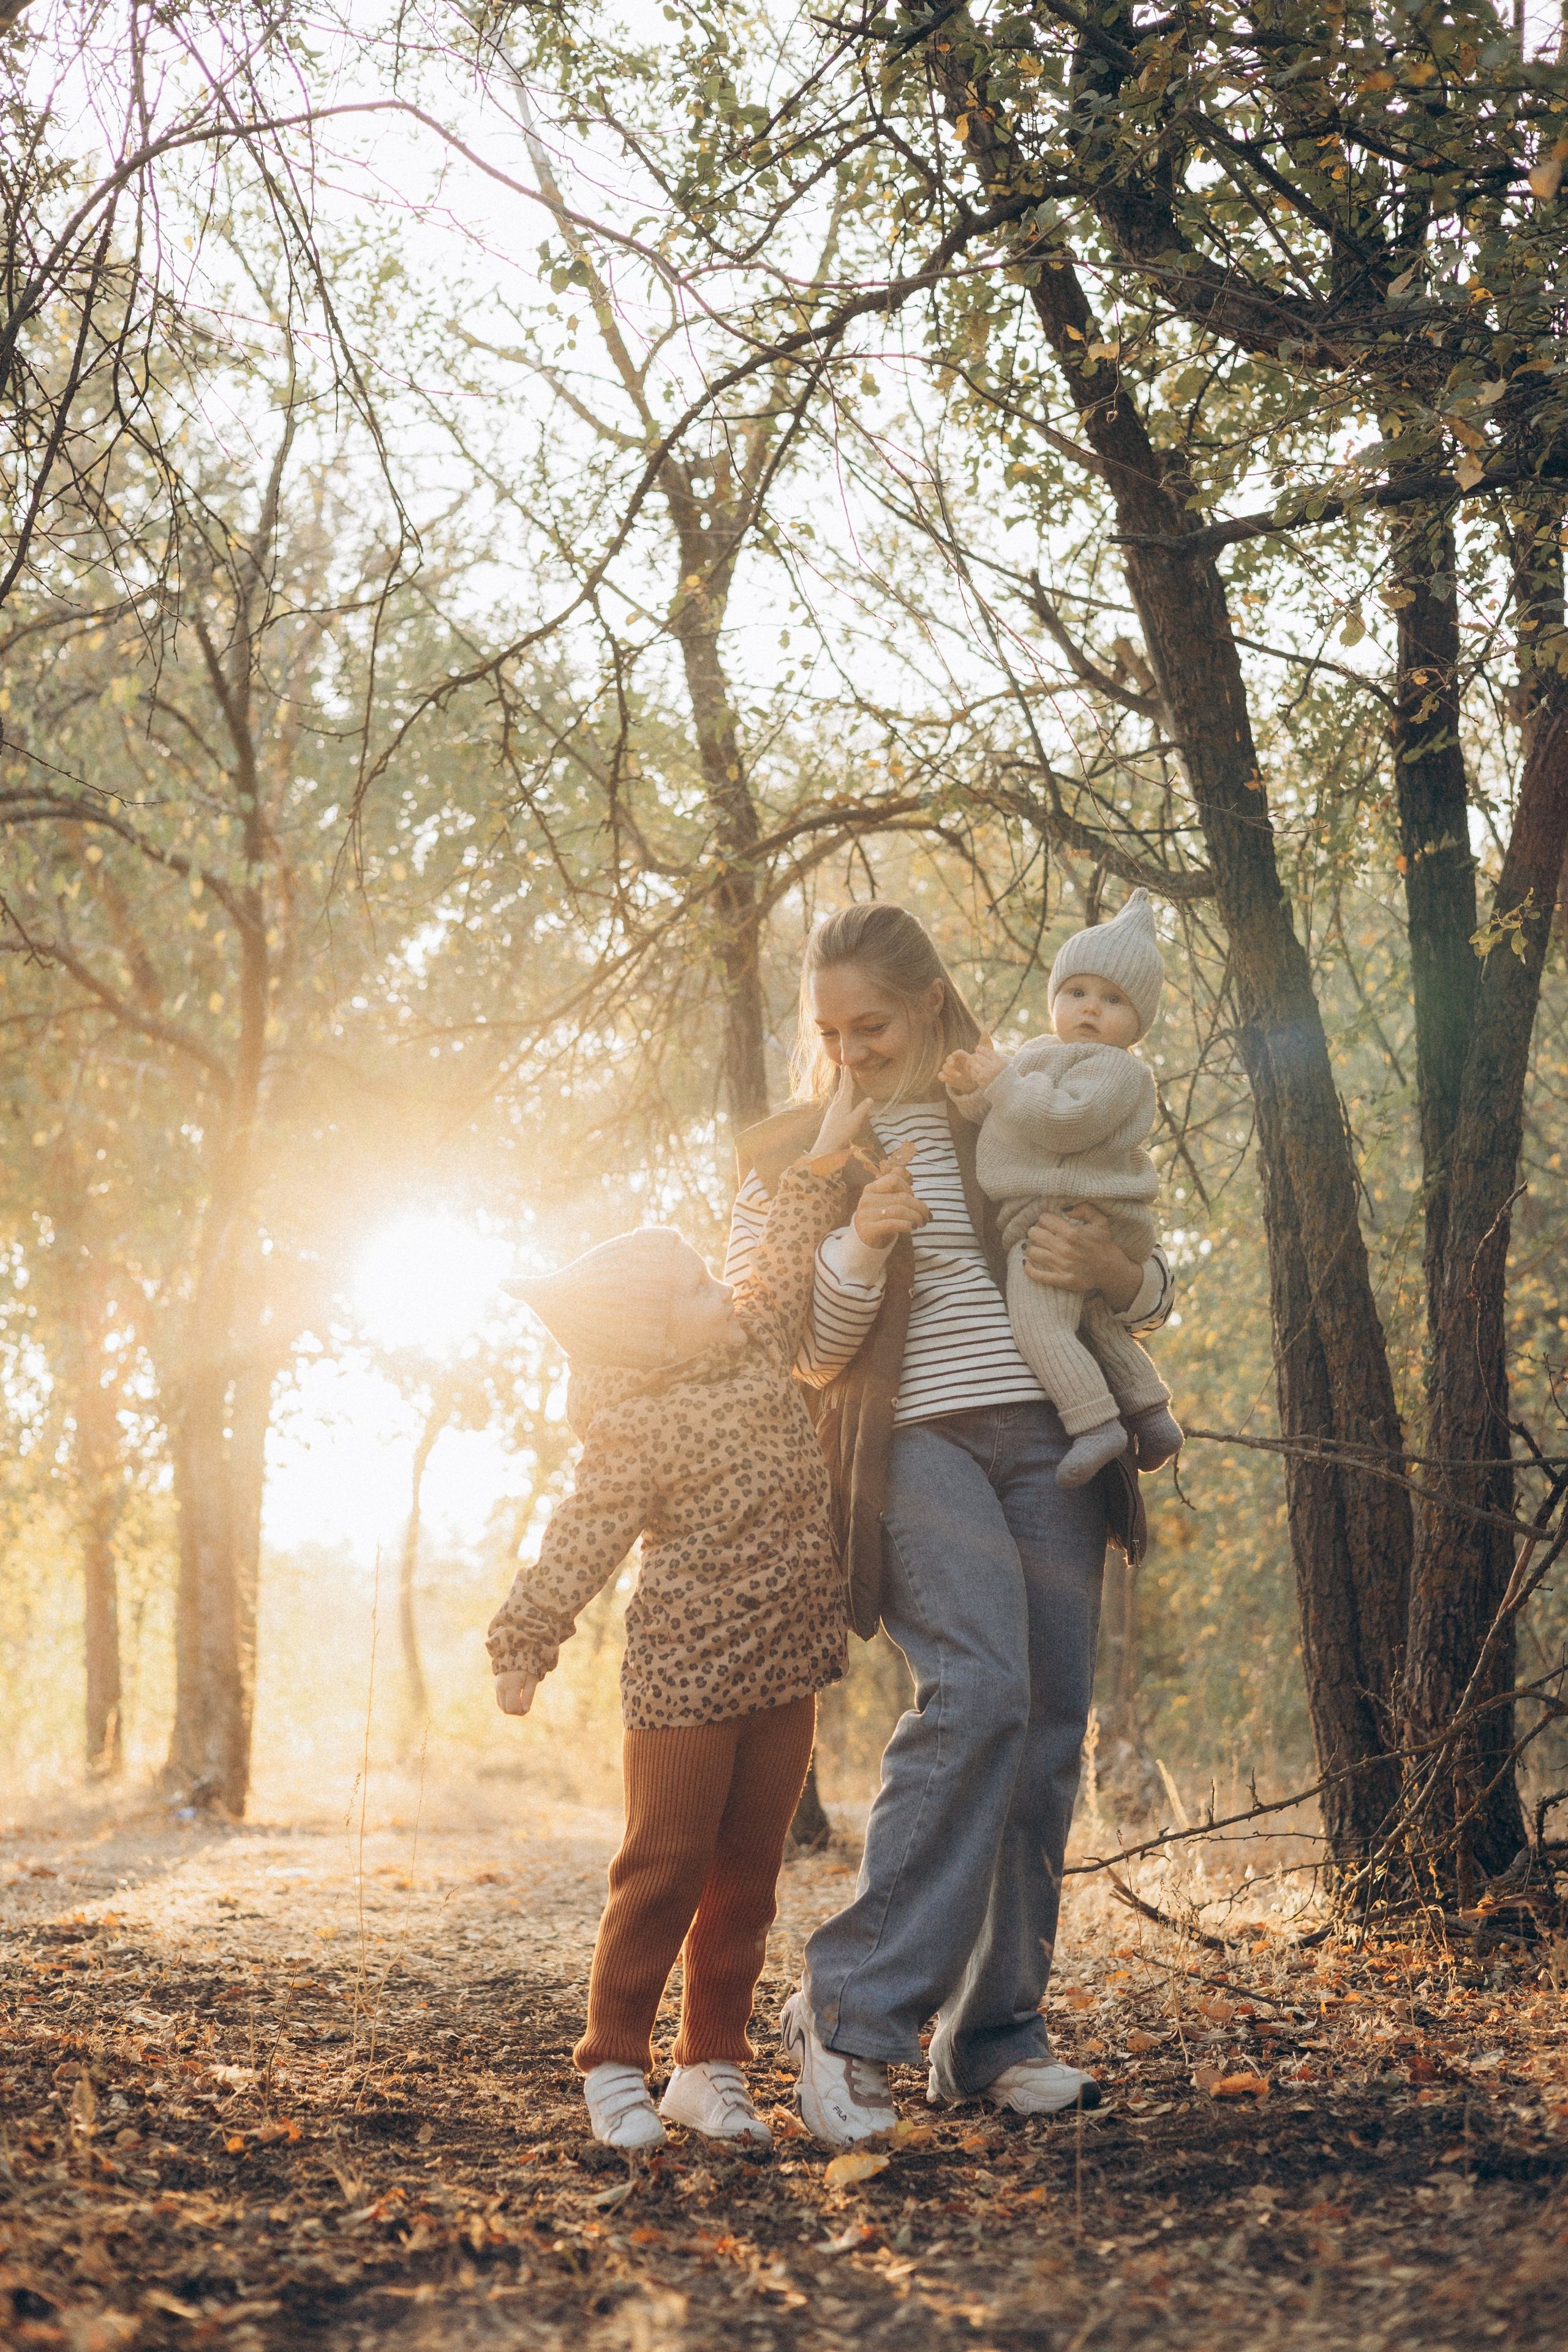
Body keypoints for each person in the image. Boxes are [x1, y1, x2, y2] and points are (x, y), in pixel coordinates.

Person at [725, 901, 1174, 2145]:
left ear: (925, 1005)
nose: (850, 1050)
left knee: (1043, 1730)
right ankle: (853, 2013)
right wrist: (855, 1252)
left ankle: (992, 2038)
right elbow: (804, 1355)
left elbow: (1149, 1268)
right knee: (976, 1688)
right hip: (912, 1448)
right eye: (829, 1030)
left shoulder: (1017, 1095)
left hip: (1051, 1436)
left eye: (870, 1025)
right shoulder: (796, 1152)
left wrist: (1116, 1276)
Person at [485, 1093, 918, 2151]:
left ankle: (708, 2066)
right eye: (689, 1290)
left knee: (747, 1886)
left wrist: (817, 1170)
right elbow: (579, 1539)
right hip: (683, 1688)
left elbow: (775, 1263)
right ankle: (613, 2066)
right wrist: (524, 1639)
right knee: (663, 1870)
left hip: (784, 1675)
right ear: (647, 1331)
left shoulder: (753, 1342)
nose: (715, 1292)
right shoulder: (634, 1426)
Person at [939, 887, 1183, 1491]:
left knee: (1039, 1325)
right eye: (1076, 992)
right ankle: (1152, 1415)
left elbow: (1060, 1121)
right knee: (1095, 1320)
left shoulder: (1117, 1072)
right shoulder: (1040, 1053)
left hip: (1076, 1213)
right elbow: (1003, 1120)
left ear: (1138, 1021)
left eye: (1112, 999)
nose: (1090, 1009)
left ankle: (1095, 1423)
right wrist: (969, 1088)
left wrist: (1001, 1085)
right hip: (1066, 1205)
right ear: (1054, 999)